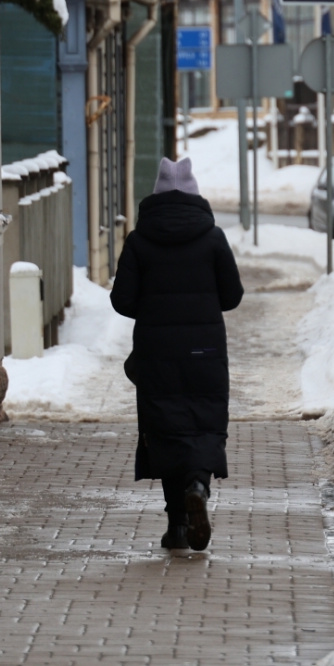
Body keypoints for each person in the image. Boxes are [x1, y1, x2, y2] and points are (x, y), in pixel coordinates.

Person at [110, 157, 244, 552]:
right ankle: (198, 487)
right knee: (203, 422)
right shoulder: (213, 237)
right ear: (194, 195)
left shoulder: (139, 240)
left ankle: (178, 528)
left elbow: (122, 300)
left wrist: (155, 307)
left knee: (165, 429)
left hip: (156, 352)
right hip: (205, 350)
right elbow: (233, 296)